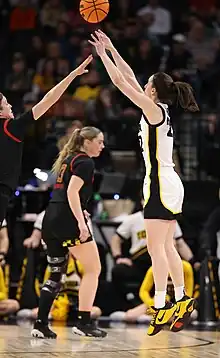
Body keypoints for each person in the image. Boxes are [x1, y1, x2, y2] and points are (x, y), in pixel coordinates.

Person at [89, 30, 199, 336]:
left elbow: (121, 83)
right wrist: (111, 47)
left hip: (161, 182)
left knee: (156, 249)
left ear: (151, 91)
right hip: (170, 182)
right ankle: (181, 298)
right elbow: (129, 76)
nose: (143, 85)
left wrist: (102, 57)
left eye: (146, 83)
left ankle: (162, 306)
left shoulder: (152, 110)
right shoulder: (157, 109)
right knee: (166, 246)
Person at [31, 126, 106, 339]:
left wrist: (80, 209)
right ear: (87, 142)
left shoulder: (68, 159)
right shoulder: (85, 162)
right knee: (94, 268)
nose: (102, 146)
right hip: (67, 220)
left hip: (50, 218)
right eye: (99, 141)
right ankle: (84, 322)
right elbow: (72, 191)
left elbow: (66, 193)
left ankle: (40, 323)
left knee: (56, 274)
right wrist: (81, 223)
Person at [0, 55, 92, 228]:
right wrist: (73, 75)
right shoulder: (10, 127)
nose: (11, 106)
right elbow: (48, 99)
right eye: (6, 105)